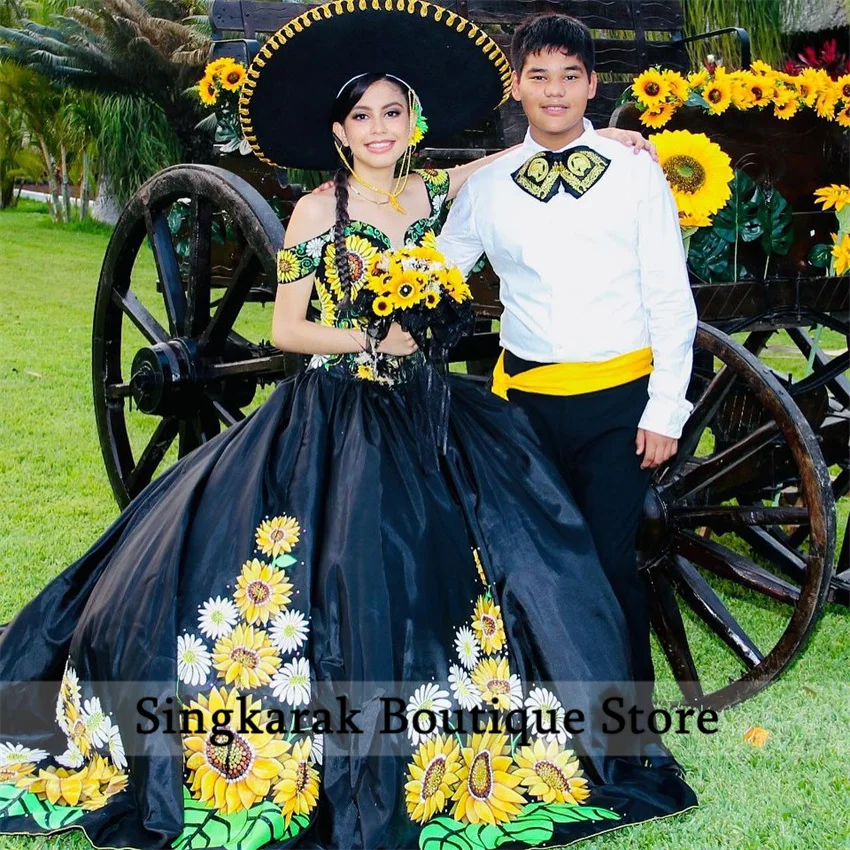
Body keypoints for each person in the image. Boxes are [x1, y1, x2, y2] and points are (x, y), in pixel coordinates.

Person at [0, 4, 696, 850]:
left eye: (392, 113)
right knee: (340, 569)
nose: (378, 128)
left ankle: (552, 719)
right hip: (332, 412)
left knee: (502, 556)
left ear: (414, 123)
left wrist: (609, 138)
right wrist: (370, 334)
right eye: (361, 116)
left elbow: (515, 157)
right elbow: (288, 329)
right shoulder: (312, 215)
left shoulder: (433, 191)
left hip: (425, 408)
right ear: (339, 129)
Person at [436, 12, 699, 757]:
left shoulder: (636, 172)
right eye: (539, 76)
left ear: (592, 85)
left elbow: (669, 297)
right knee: (534, 560)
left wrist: (666, 408)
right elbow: (439, 277)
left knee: (611, 559)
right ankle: (539, 724)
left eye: (570, 76)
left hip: (621, 401)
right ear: (516, 86)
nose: (554, 91)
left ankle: (625, 735)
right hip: (524, 407)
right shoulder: (487, 189)